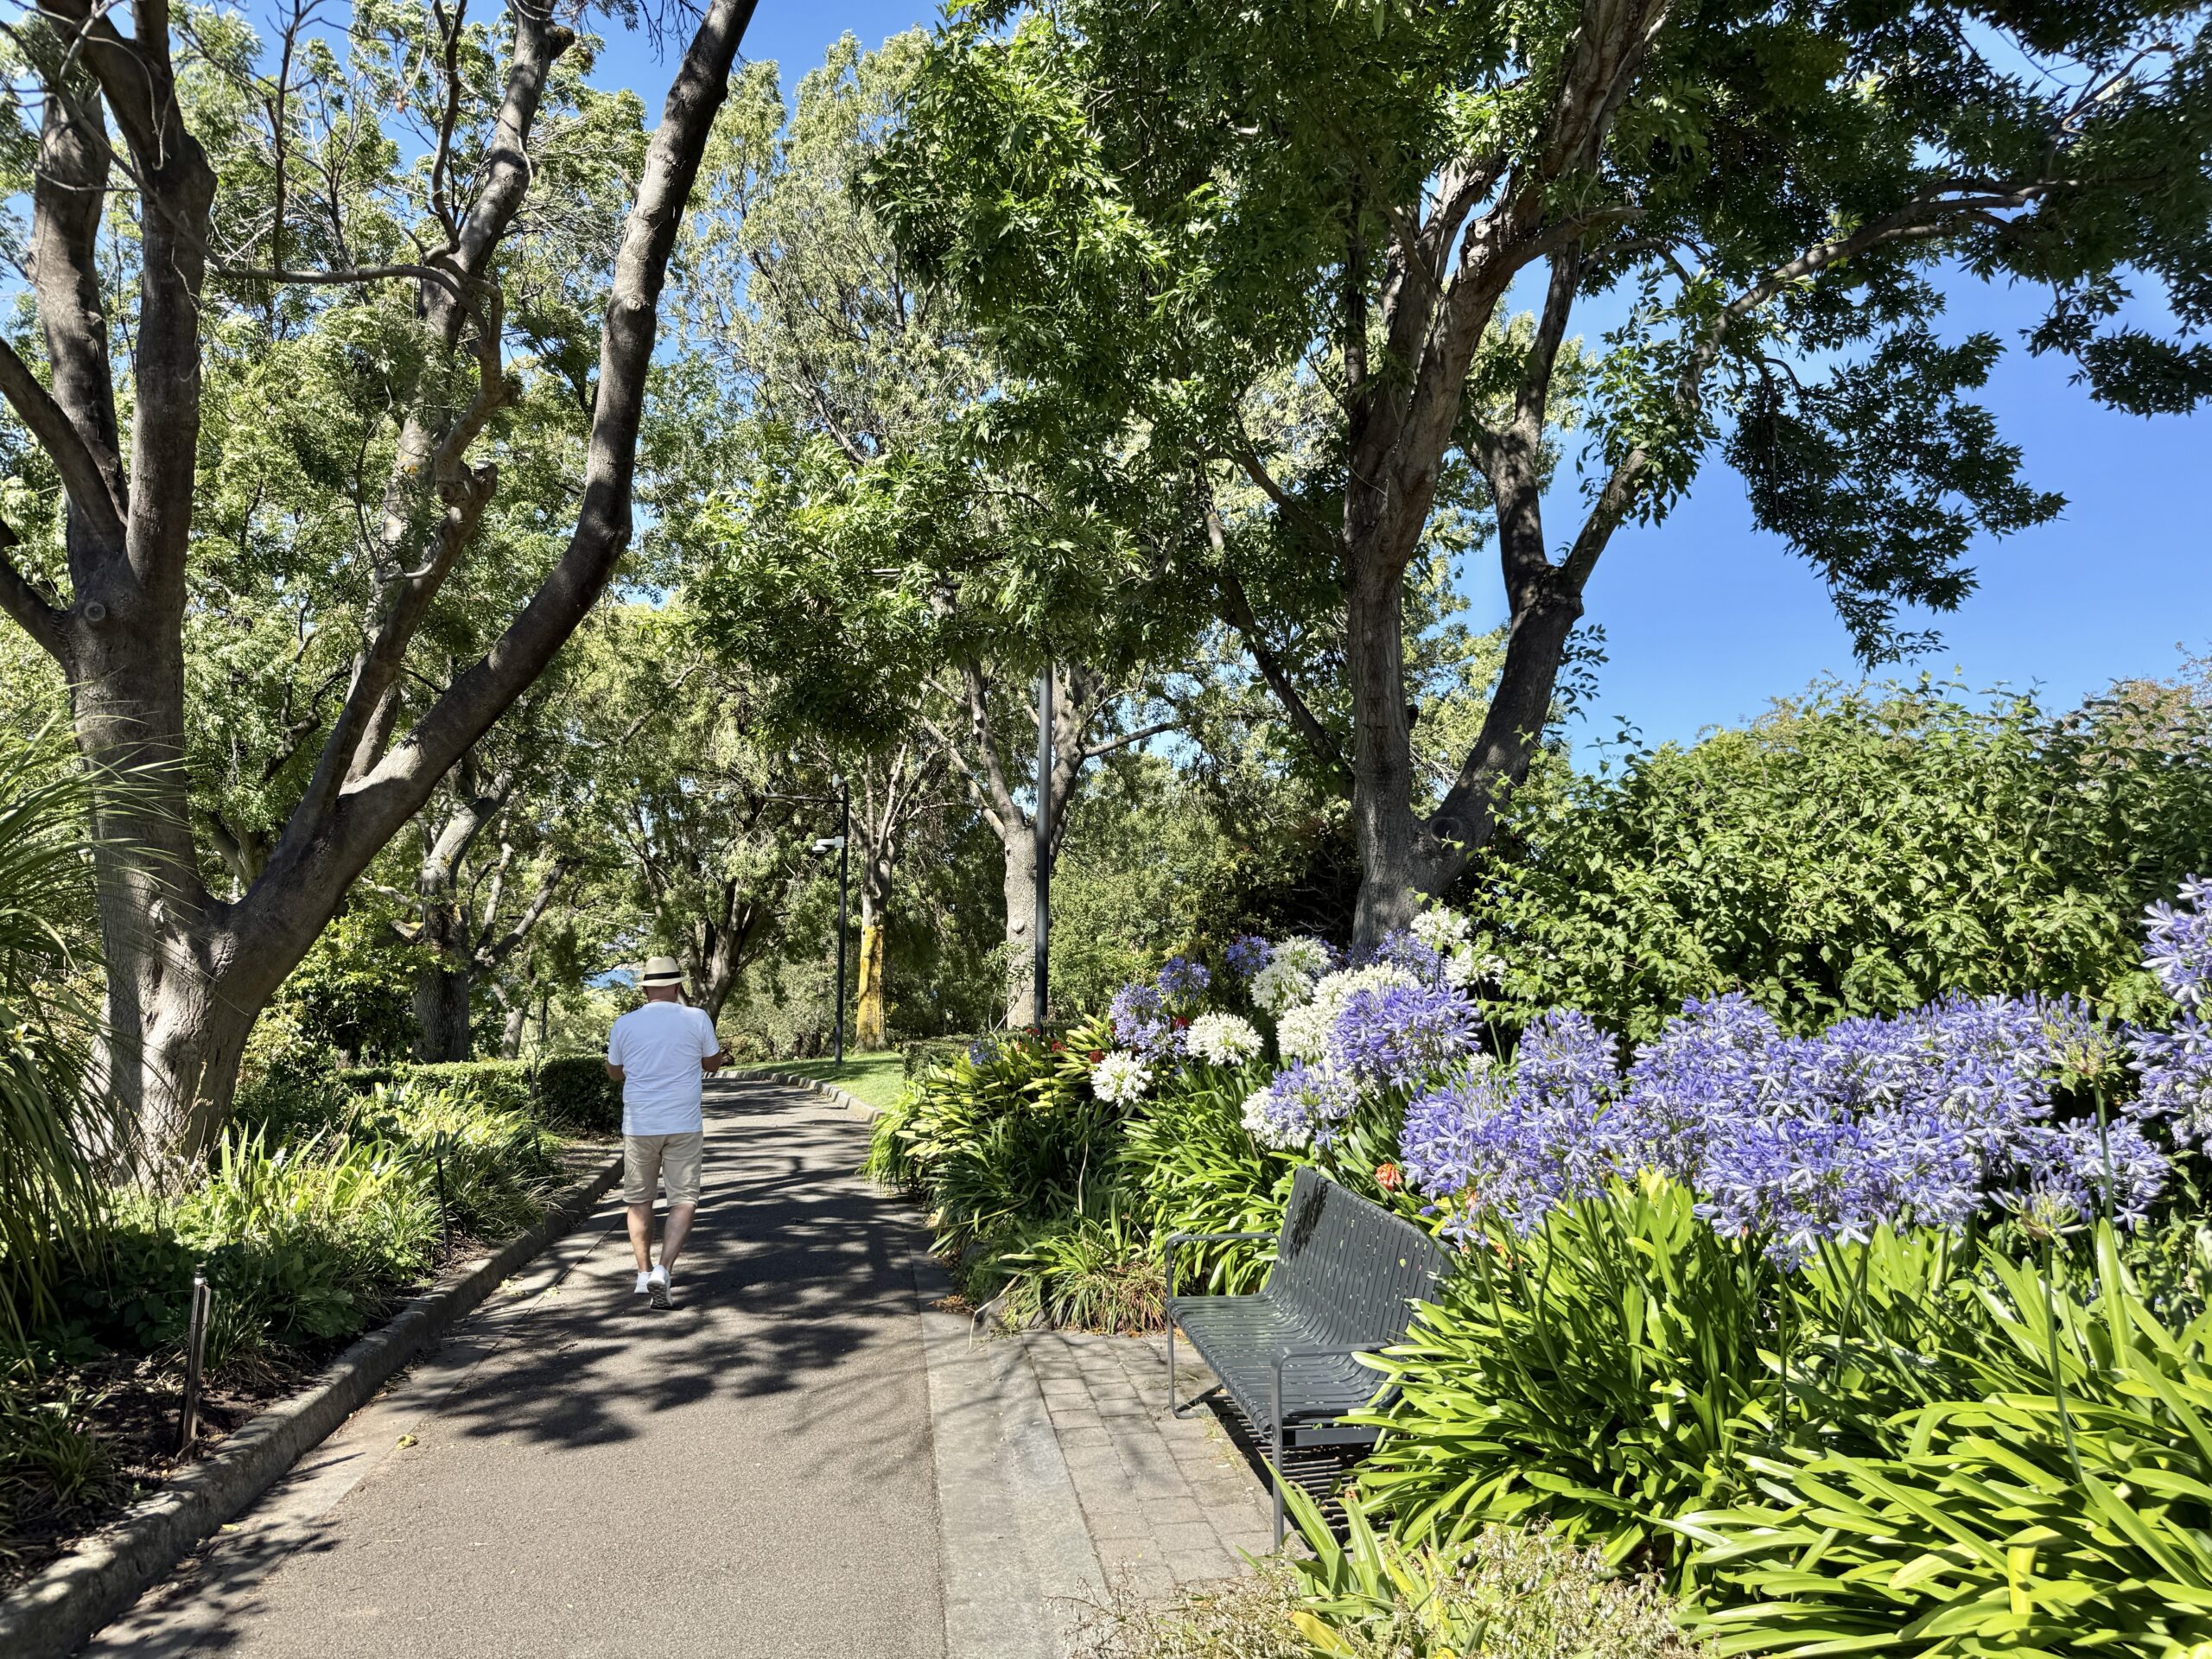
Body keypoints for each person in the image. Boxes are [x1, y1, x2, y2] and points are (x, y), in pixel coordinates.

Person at [605, 956, 727, 1308]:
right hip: (683, 1124)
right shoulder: (697, 1018)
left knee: (639, 1199)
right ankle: (664, 1269)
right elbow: (713, 1063)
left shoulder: (624, 1023)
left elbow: (614, 1072)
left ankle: (643, 1274)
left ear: (645, 990)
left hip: (639, 1125)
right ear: (676, 987)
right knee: (683, 1199)